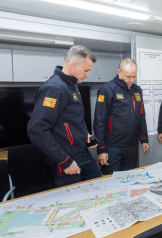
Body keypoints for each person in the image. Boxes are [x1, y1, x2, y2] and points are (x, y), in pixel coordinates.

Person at [27, 45, 102, 187]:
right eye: (86, 70)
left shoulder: (72, 85)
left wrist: (84, 135)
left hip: (82, 153)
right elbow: (37, 129)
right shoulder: (54, 88)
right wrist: (65, 161)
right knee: (76, 203)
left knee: (99, 188)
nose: (87, 75)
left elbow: (72, 119)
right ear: (73, 65)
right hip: (67, 159)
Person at [93, 59, 149, 174]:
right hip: (113, 146)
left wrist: (144, 139)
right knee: (111, 182)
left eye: (134, 76)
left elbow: (141, 115)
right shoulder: (107, 89)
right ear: (119, 72)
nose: (131, 80)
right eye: (128, 76)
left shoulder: (137, 90)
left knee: (129, 179)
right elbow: (99, 121)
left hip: (132, 146)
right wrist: (101, 149)